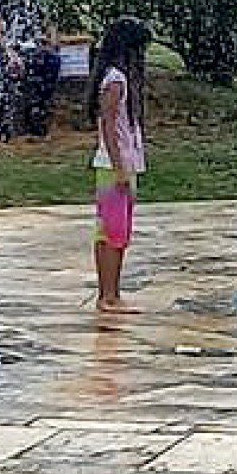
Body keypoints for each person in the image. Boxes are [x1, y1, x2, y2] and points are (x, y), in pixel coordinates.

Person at [88, 17, 150, 314]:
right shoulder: (115, 80)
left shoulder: (121, 79)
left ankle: (114, 292)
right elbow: (109, 126)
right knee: (110, 233)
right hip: (115, 166)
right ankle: (106, 296)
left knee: (120, 233)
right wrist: (119, 167)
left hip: (126, 164)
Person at [0, 0, 62, 138]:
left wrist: (51, 43)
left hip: (21, 49)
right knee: (5, 71)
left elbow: (48, 23)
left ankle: (37, 111)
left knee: (51, 61)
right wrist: (11, 55)